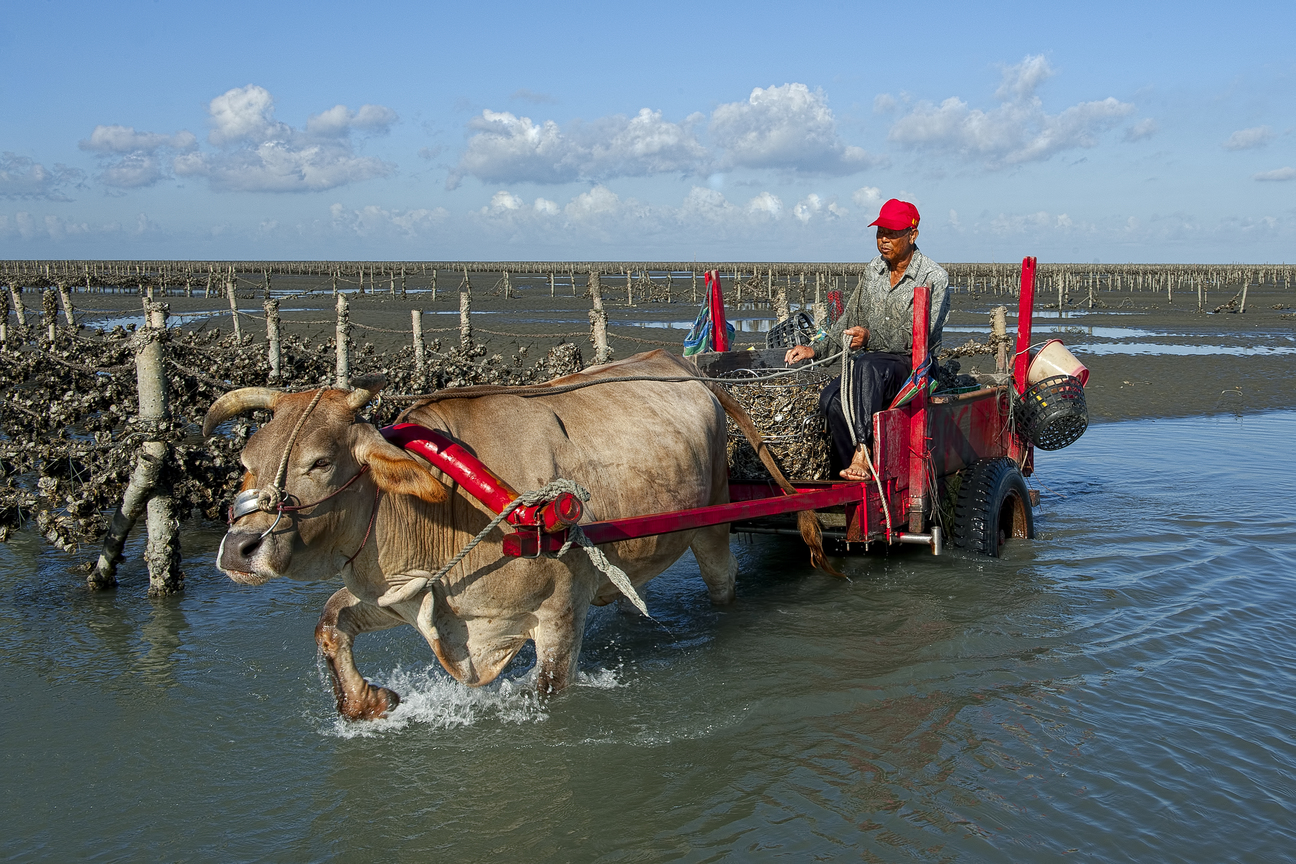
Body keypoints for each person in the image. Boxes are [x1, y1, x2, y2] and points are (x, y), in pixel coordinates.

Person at [784, 198, 949, 480]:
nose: (884, 240)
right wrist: (815, 349)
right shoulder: (874, 269)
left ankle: (864, 451)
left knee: (866, 365)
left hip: (913, 366)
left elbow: (919, 337)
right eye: (880, 232)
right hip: (871, 364)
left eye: (892, 233)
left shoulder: (934, 276)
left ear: (913, 235)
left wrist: (870, 337)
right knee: (831, 399)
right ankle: (851, 473)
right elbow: (849, 319)